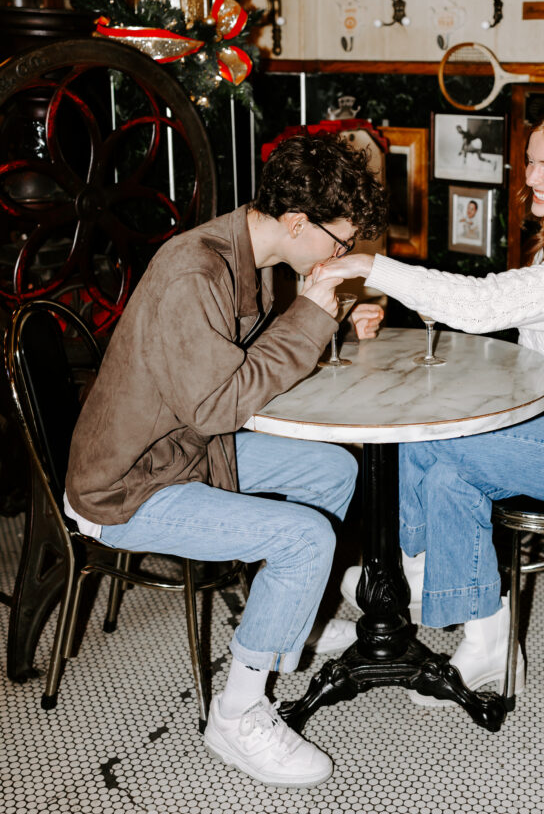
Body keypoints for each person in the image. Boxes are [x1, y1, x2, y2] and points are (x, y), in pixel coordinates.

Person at [64, 134, 388, 787]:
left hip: (184, 452)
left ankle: (285, 617)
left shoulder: (250, 252)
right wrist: (312, 315)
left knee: (335, 470)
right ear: (298, 223)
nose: (342, 256)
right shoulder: (195, 271)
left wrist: (334, 309)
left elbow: (239, 363)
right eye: (339, 242)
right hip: (128, 484)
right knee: (303, 537)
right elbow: (219, 407)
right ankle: (235, 717)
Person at [324, 103, 544, 704]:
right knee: (447, 476)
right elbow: (508, 316)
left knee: (431, 435)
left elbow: (485, 305)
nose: (533, 179)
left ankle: (409, 575)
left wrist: (372, 265)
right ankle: (488, 641)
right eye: (531, 164)